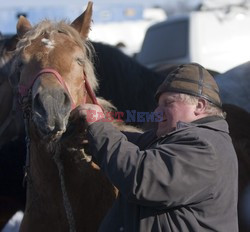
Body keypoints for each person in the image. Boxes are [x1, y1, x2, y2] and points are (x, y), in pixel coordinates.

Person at [72, 63, 239, 231]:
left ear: (199, 106)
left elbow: (141, 177)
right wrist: (90, 136)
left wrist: (99, 126)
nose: (157, 112)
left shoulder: (206, 147)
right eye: (159, 105)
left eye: (168, 103)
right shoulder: (172, 139)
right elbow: (129, 142)